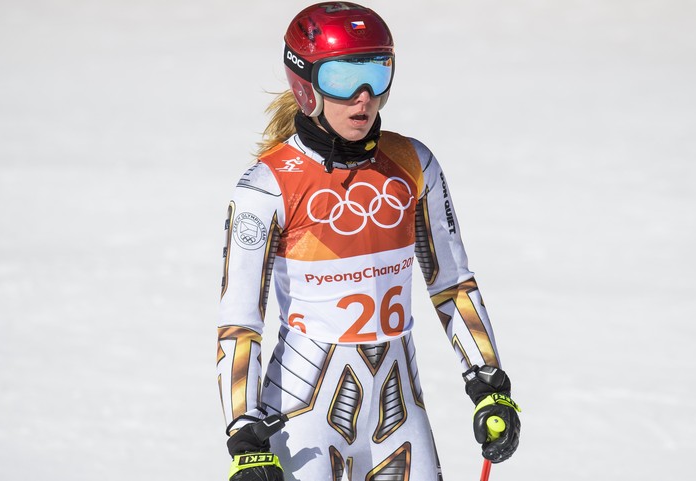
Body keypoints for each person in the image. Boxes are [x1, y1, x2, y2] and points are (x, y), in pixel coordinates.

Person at [216, 3, 521, 480]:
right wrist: (243, 429)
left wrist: (488, 382)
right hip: (302, 416)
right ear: (305, 84)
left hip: (399, 412)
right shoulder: (267, 185)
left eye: (378, 74)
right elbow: (240, 322)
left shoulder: (413, 163)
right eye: (341, 78)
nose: (363, 98)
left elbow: (452, 283)